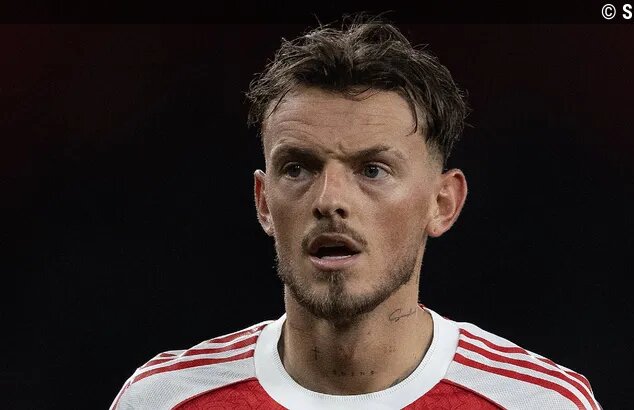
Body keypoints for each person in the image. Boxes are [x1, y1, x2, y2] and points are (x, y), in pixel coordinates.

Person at [111, 14, 602, 410]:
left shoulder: (537, 402)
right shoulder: (163, 400)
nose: (329, 200)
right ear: (263, 202)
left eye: (372, 169)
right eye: (297, 168)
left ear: (442, 203)